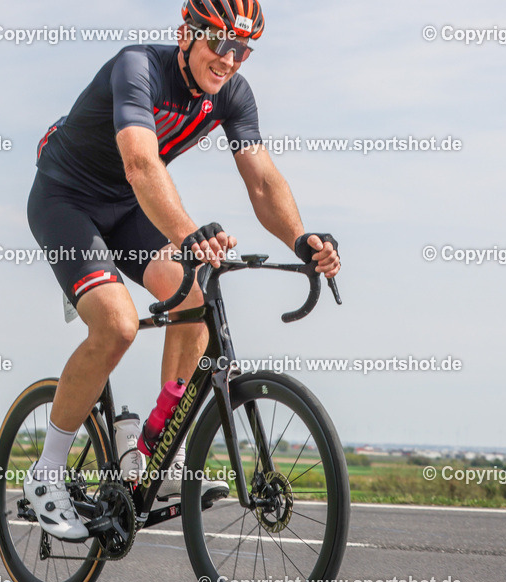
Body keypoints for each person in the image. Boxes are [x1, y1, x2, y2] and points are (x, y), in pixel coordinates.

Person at [23, 0, 340, 541]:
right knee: (118, 325)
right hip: (68, 201)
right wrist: (188, 234)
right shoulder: (138, 67)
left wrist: (300, 236)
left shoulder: (233, 95)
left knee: (196, 305)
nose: (229, 59)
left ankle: (155, 457)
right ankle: (46, 473)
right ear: (187, 34)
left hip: (128, 210)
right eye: (219, 42)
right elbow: (141, 164)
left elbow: (262, 181)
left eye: (242, 49)